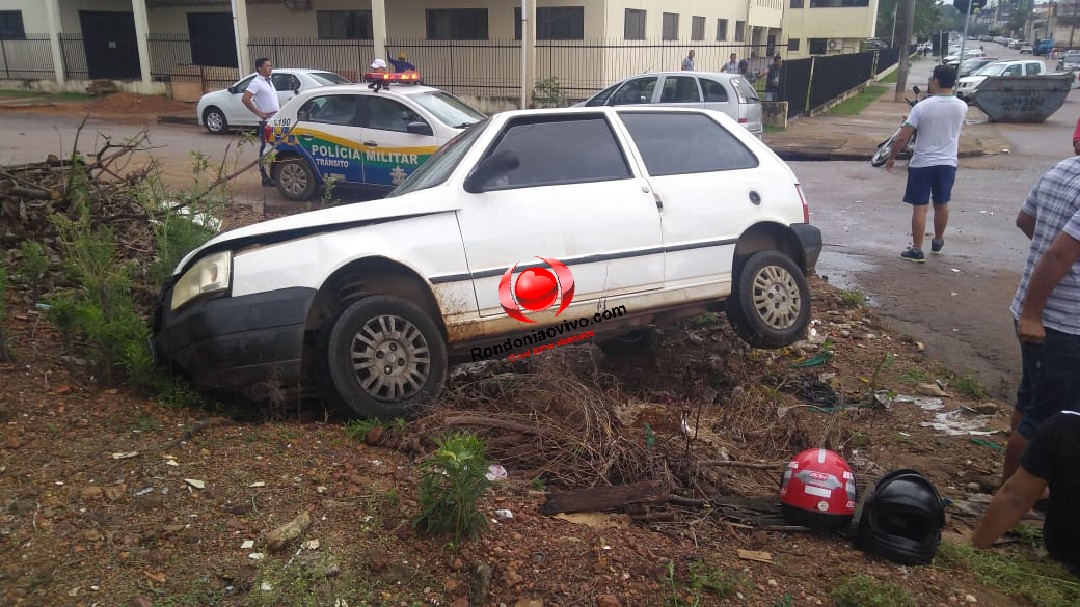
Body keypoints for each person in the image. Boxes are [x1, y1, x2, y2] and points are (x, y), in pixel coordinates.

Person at [1001, 154, 1080, 485]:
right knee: (1045, 416)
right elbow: (1058, 254)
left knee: (1031, 401)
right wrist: (1034, 315)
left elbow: (1025, 219)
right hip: (1062, 324)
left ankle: (1013, 488)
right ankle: (1015, 498)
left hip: (1036, 316)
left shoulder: (1064, 168)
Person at [972, 411, 1080, 578]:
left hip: (1064, 554)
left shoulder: (1064, 426)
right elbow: (1015, 497)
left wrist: (973, 549)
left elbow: (1015, 497)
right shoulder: (1065, 427)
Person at [885, 64, 968, 263]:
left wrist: (891, 157)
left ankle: (917, 249)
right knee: (941, 204)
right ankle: (938, 242)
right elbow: (943, 124)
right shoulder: (961, 106)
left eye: (932, 79)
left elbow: (904, 136)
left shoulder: (922, 107)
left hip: (922, 163)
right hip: (947, 163)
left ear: (936, 81)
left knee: (920, 207)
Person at [241, 57, 279, 187]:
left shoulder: (269, 81)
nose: (270, 68)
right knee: (265, 149)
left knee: (274, 148)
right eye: (267, 66)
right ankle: (264, 176)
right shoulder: (256, 82)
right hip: (265, 122)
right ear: (259, 68)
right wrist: (259, 113)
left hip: (274, 120)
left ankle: (271, 175)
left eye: (270, 65)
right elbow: (245, 99)